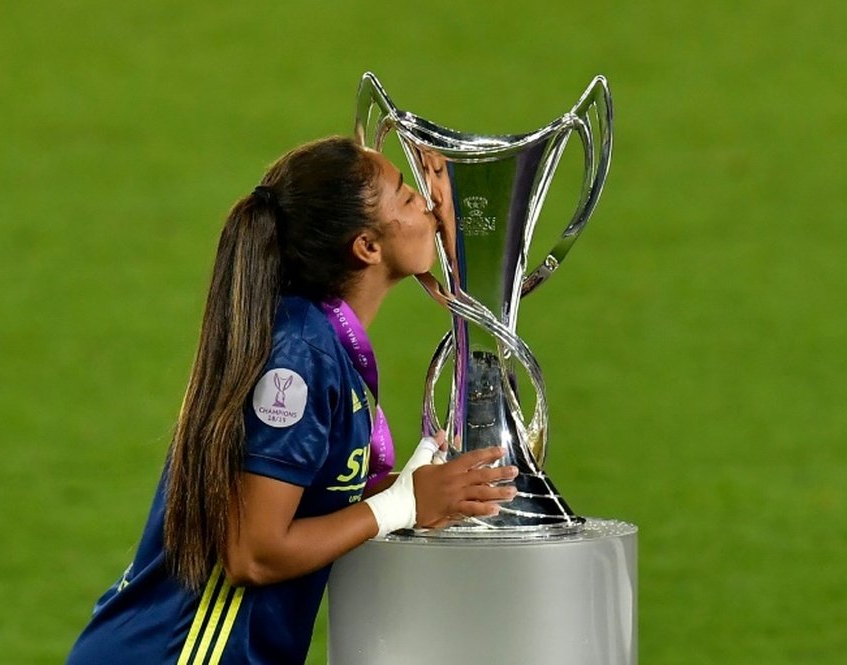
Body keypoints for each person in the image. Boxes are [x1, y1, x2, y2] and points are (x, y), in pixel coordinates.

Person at [66, 136, 518, 665]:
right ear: (366, 246)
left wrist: (408, 495)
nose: (427, 203)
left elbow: (308, 509)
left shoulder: (319, 344)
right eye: (406, 195)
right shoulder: (297, 358)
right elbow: (252, 553)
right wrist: (399, 506)